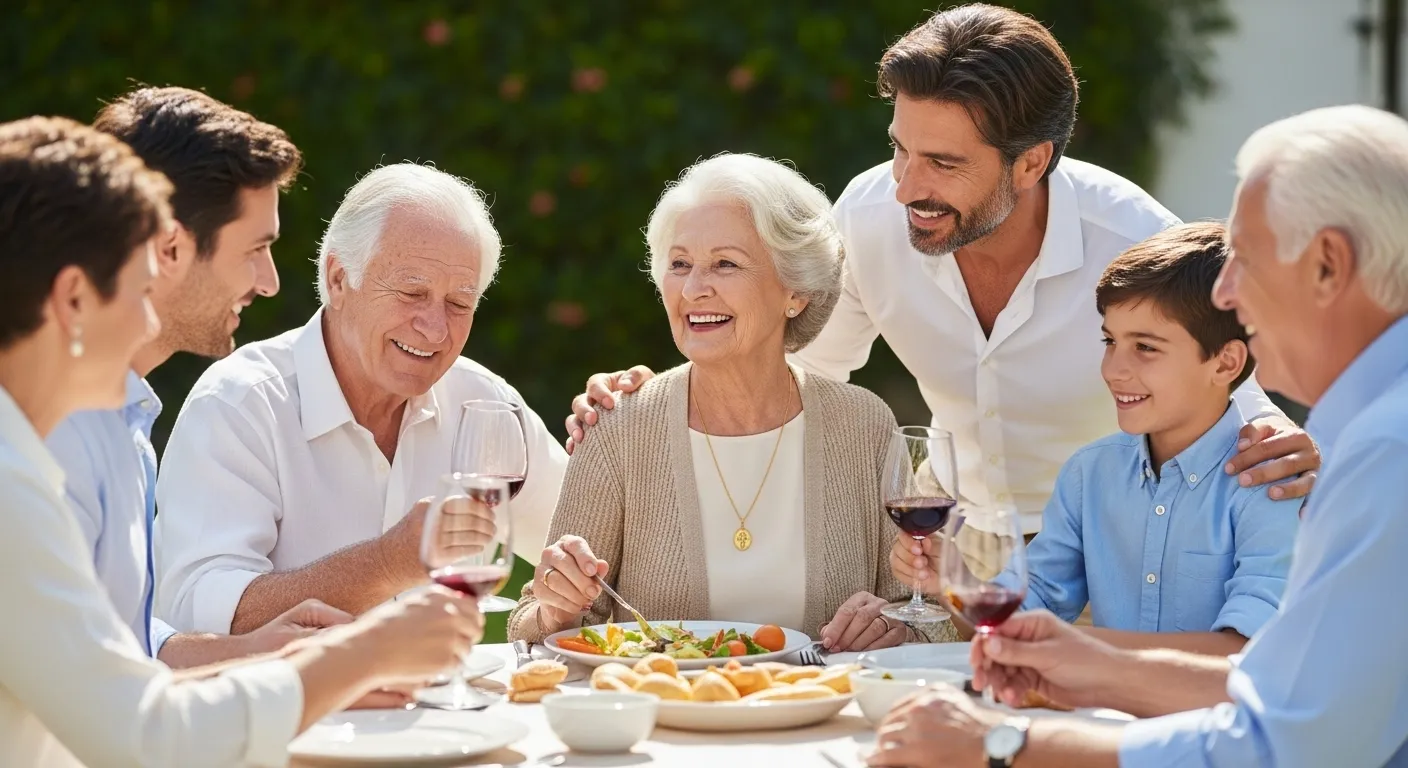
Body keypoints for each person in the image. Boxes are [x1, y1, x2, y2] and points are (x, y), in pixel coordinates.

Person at [561, 3, 1319, 579]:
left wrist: (1287, 448)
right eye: (900, 149)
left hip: (1115, 553)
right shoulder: (867, 217)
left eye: (945, 165)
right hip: (943, 551)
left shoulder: (1128, 238)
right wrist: (654, 398)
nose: (908, 187)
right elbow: (797, 379)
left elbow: (1234, 393)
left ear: (1032, 164)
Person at [867, 105, 1408, 768]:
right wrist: (1080, 666)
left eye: (1247, 258)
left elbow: (1288, 745)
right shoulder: (1365, 437)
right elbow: (1283, 686)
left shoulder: (1379, 452)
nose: (1229, 294)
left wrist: (1003, 745)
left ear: (1328, 264)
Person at [0, 115, 483, 768]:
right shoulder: (17, 480)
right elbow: (142, 737)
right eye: (142, 288)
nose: (148, 317)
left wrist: (276, 656)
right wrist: (360, 656)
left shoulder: (109, 432)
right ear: (74, 298)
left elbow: (110, 667)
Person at [507, 153, 960, 651]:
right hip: (665, 720)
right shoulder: (619, 424)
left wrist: (892, 624)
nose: (695, 289)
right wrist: (555, 608)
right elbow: (531, 620)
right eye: (680, 264)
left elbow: (923, 612)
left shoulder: (864, 424)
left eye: (725, 263)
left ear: (797, 291)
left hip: (819, 718)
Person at [154, 162, 569, 636]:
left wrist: (635, 420)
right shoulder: (240, 403)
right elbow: (197, 615)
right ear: (337, 279)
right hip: (295, 710)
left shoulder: (484, 403)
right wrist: (387, 563)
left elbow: (593, 544)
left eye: (459, 303)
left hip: (451, 706)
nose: (435, 329)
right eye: (412, 292)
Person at [41, 86, 354, 673]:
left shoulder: (126, 420)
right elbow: (79, 681)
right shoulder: (54, 432)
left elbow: (116, 636)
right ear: (172, 247)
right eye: (256, 249)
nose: (269, 283)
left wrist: (245, 652)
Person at [925, 222, 1298, 654]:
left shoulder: (1269, 483)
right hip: (1100, 715)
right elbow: (1023, 611)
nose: (1113, 369)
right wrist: (954, 584)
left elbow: (1248, 650)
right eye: (1110, 340)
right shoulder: (1089, 474)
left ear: (1224, 363)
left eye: (1145, 347)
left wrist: (1082, 648)